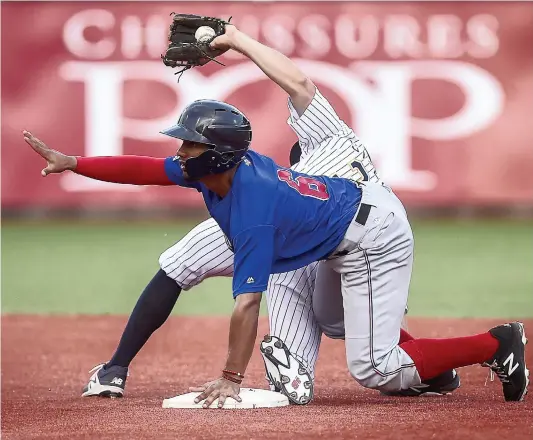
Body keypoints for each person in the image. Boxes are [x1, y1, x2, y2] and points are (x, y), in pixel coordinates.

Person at [23, 25, 528, 408]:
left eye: (189, 142)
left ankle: (494, 343)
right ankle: (425, 369)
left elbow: (246, 302)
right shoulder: (235, 169)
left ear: (220, 154)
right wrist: (75, 163)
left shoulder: (311, 156)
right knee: (335, 320)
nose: (181, 150)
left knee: (373, 366)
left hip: (369, 233)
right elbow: (152, 169)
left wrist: (232, 377)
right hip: (330, 228)